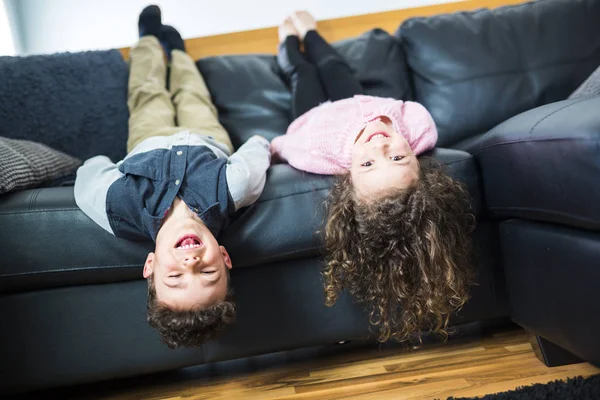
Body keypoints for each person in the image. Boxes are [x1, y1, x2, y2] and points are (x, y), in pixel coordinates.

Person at [74, 5, 270, 348]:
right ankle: (178, 52)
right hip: (206, 135)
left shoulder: (119, 209)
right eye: (207, 273)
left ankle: (148, 40)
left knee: (147, 92)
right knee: (193, 94)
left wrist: (112, 164)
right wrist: (262, 145)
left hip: (148, 138)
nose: (191, 262)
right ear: (225, 257)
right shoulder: (233, 189)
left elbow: (89, 174)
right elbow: (256, 147)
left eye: (176, 276)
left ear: (150, 265)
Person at [272, 11, 475, 343]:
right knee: (336, 67)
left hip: (314, 115)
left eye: (367, 165)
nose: (379, 146)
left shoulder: (319, 149)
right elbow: (422, 119)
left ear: (348, 176)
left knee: (303, 72)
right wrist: (398, 131)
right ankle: (310, 33)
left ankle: (289, 43)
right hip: (357, 100)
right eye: (397, 157)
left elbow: (287, 145)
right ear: (417, 162)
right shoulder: (419, 133)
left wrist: (272, 149)